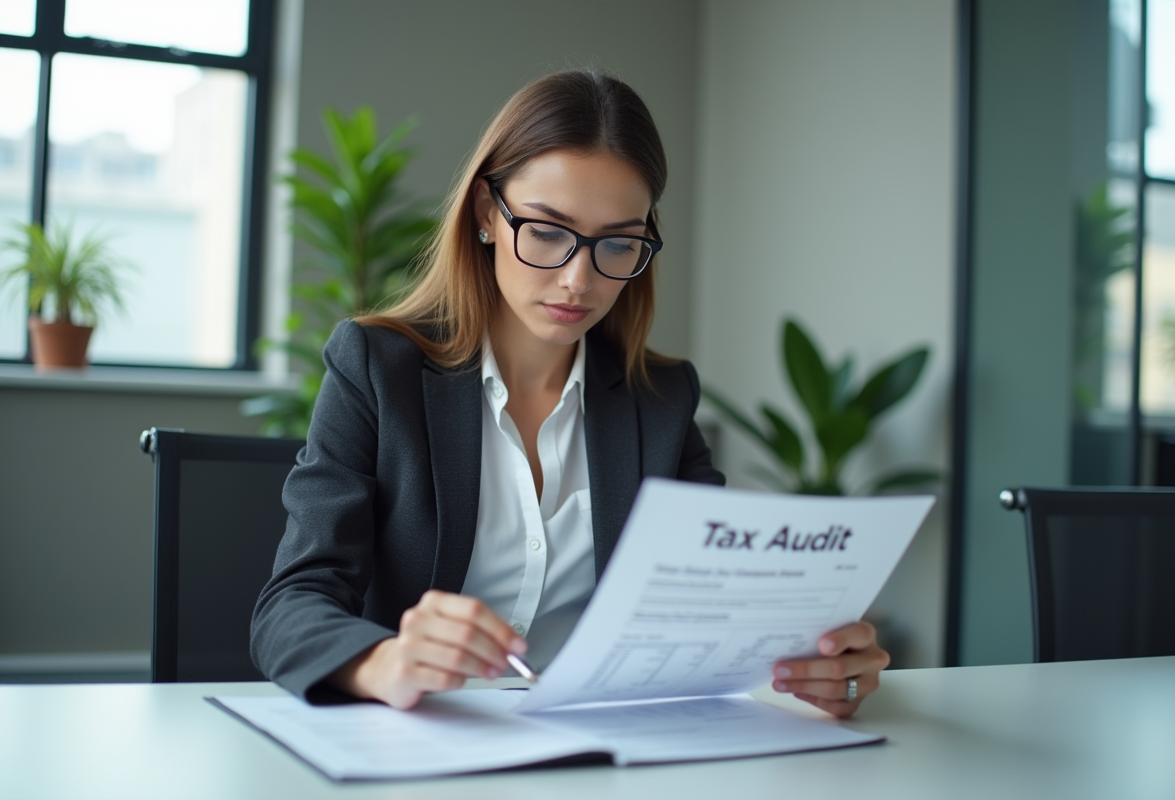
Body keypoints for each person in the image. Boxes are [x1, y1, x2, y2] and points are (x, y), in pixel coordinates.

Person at [250, 69, 889, 718]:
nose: (578, 280)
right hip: (426, 739)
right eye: (549, 232)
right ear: (485, 215)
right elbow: (290, 606)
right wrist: (381, 661)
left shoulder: (660, 400)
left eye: (617, 243)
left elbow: (709, 612)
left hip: (609, 744)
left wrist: (812, 663)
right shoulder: (376, 370)